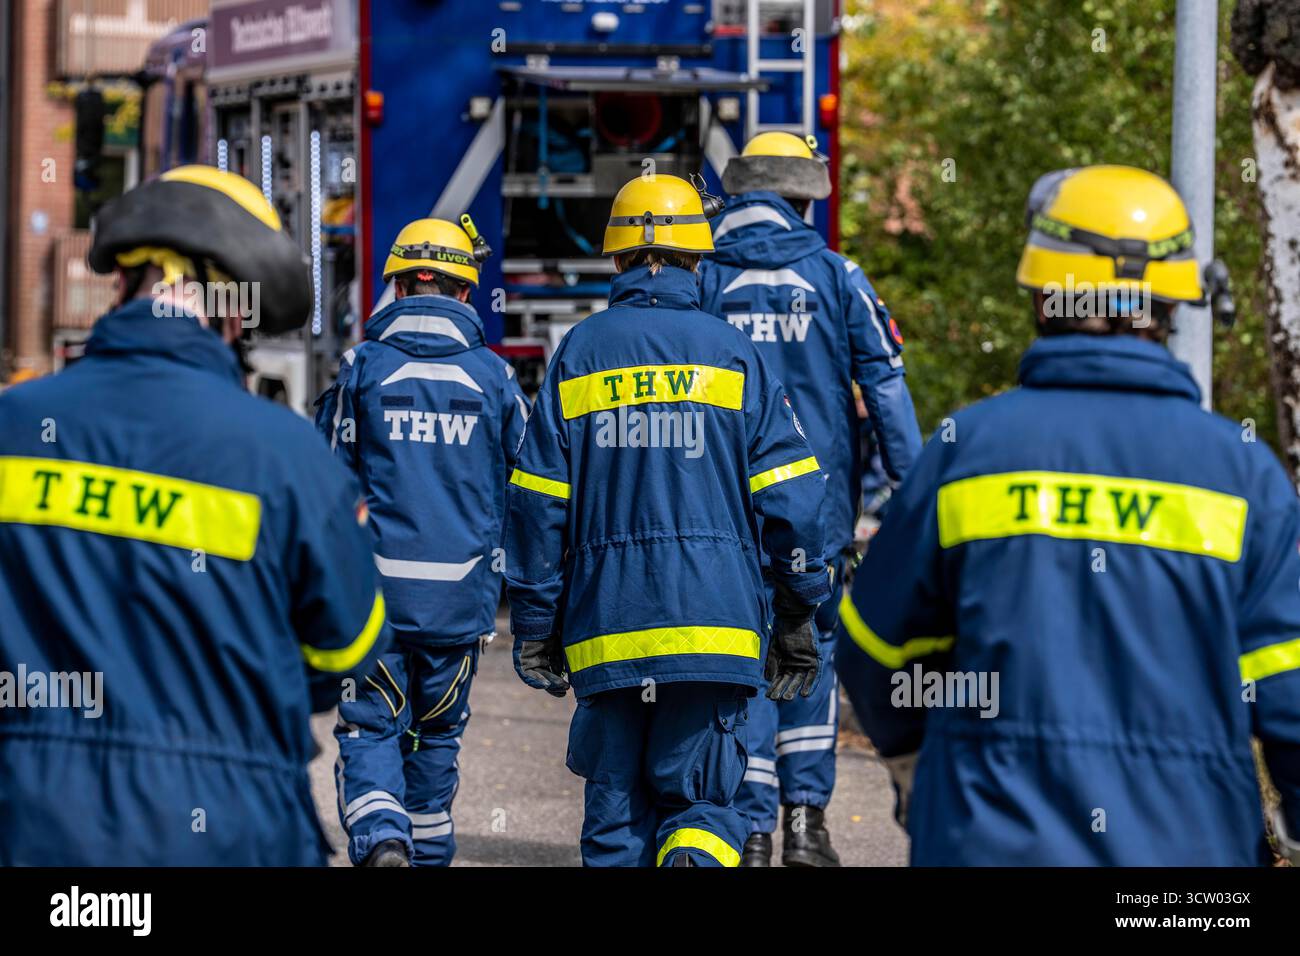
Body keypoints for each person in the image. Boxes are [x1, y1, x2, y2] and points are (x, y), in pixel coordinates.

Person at [836, 164, 1300, 866]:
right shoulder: (1242, 475)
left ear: (1041, 294)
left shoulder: (969, 451)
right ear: (1176, 303)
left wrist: (916, 761)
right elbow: (1288, 687)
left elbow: (874, 647)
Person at [0, 165, 389, 865]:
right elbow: (345, 651)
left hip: (31, 824)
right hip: (229, 828)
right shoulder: (291, 459)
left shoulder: (13, 427)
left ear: (121, 285)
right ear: (234, 311)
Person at [504, 174, 832, 867]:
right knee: (703, 807)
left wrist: (535, 622)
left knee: (615, 817)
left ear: (618, 258)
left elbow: (537, 503)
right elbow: (796, 500)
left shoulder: (579, 354)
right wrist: (798, 608)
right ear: (697, 259)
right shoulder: (734, 355)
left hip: (607, 630)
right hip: (716, 628)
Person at [697, 130, 923, 866]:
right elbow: (885, 390)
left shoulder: (704, 277)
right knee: (813, 653)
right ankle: (805, 824)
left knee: (744, 655)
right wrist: (914, 493)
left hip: (723, 512)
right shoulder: (836, 277)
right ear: (804, 200)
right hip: (816, 514)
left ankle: (751, 831)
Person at [316, 216, 528, 866]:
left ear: (400, 287)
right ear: (465, 293)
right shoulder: (496, 379)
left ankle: (383, 838)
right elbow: (532, 488)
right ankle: (426, 851)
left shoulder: (361, 369)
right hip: (459, 609)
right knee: (436, 739)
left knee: (369, 726)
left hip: (375, 603)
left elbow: (327, 483)